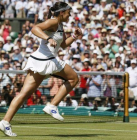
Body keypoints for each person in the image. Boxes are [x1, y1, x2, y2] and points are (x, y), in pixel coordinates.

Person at [0, 2, 82, 137]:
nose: (70, 15)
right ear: (62, 13)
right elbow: (35, 28)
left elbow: (63, 46)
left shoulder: (59, 25)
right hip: (46, 60)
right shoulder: (53, 22)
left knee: (23, 94)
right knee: (74, 78)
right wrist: (48, 38)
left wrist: (74, 36)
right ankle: (52, 106)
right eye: (68, 13)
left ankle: (5, 122)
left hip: (42, 60)